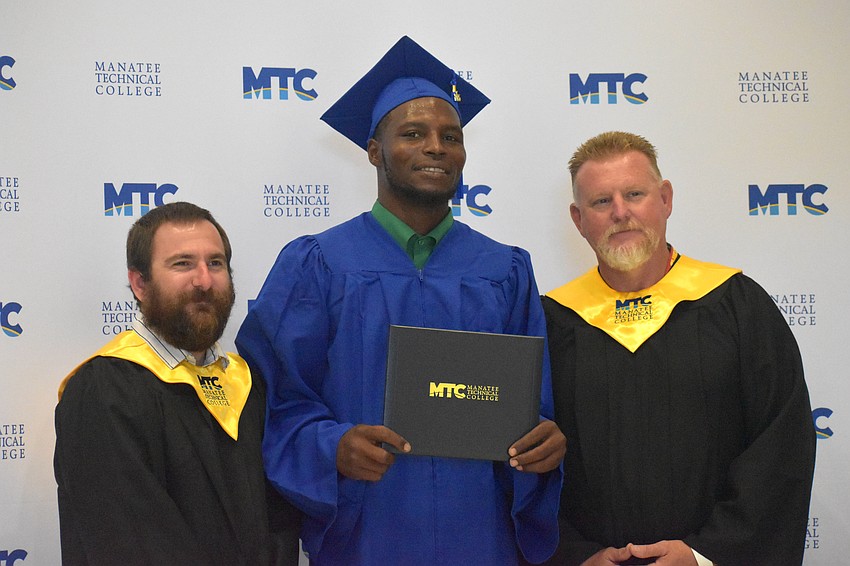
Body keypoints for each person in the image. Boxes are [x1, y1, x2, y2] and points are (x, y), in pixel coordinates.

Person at [236, 36, 565, 565]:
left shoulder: (505, 271)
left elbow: (532, 407)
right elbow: (275, 402)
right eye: (412, 133)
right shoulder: (317, 264)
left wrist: (545, 446)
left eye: (451, 136)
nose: (437, 147)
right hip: (366, 536)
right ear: (374, 151)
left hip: (480, 538)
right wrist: (330, 446)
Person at [541, 131, 816, 566]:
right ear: (578, 218)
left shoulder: (738, 307)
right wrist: (574, 556)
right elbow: (527, 456)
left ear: (665, 199)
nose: (620, 213)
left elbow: (780, 446)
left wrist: (706, 554)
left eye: (634, 194)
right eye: (600, 202)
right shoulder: (553, 322)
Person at [54, 201, 300, 565]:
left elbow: (277, 526)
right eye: (182, 264)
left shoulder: (246, 383)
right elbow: (128, 544)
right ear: (140, 283)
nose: (203, 280)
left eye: (215, 263)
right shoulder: (104, 391)